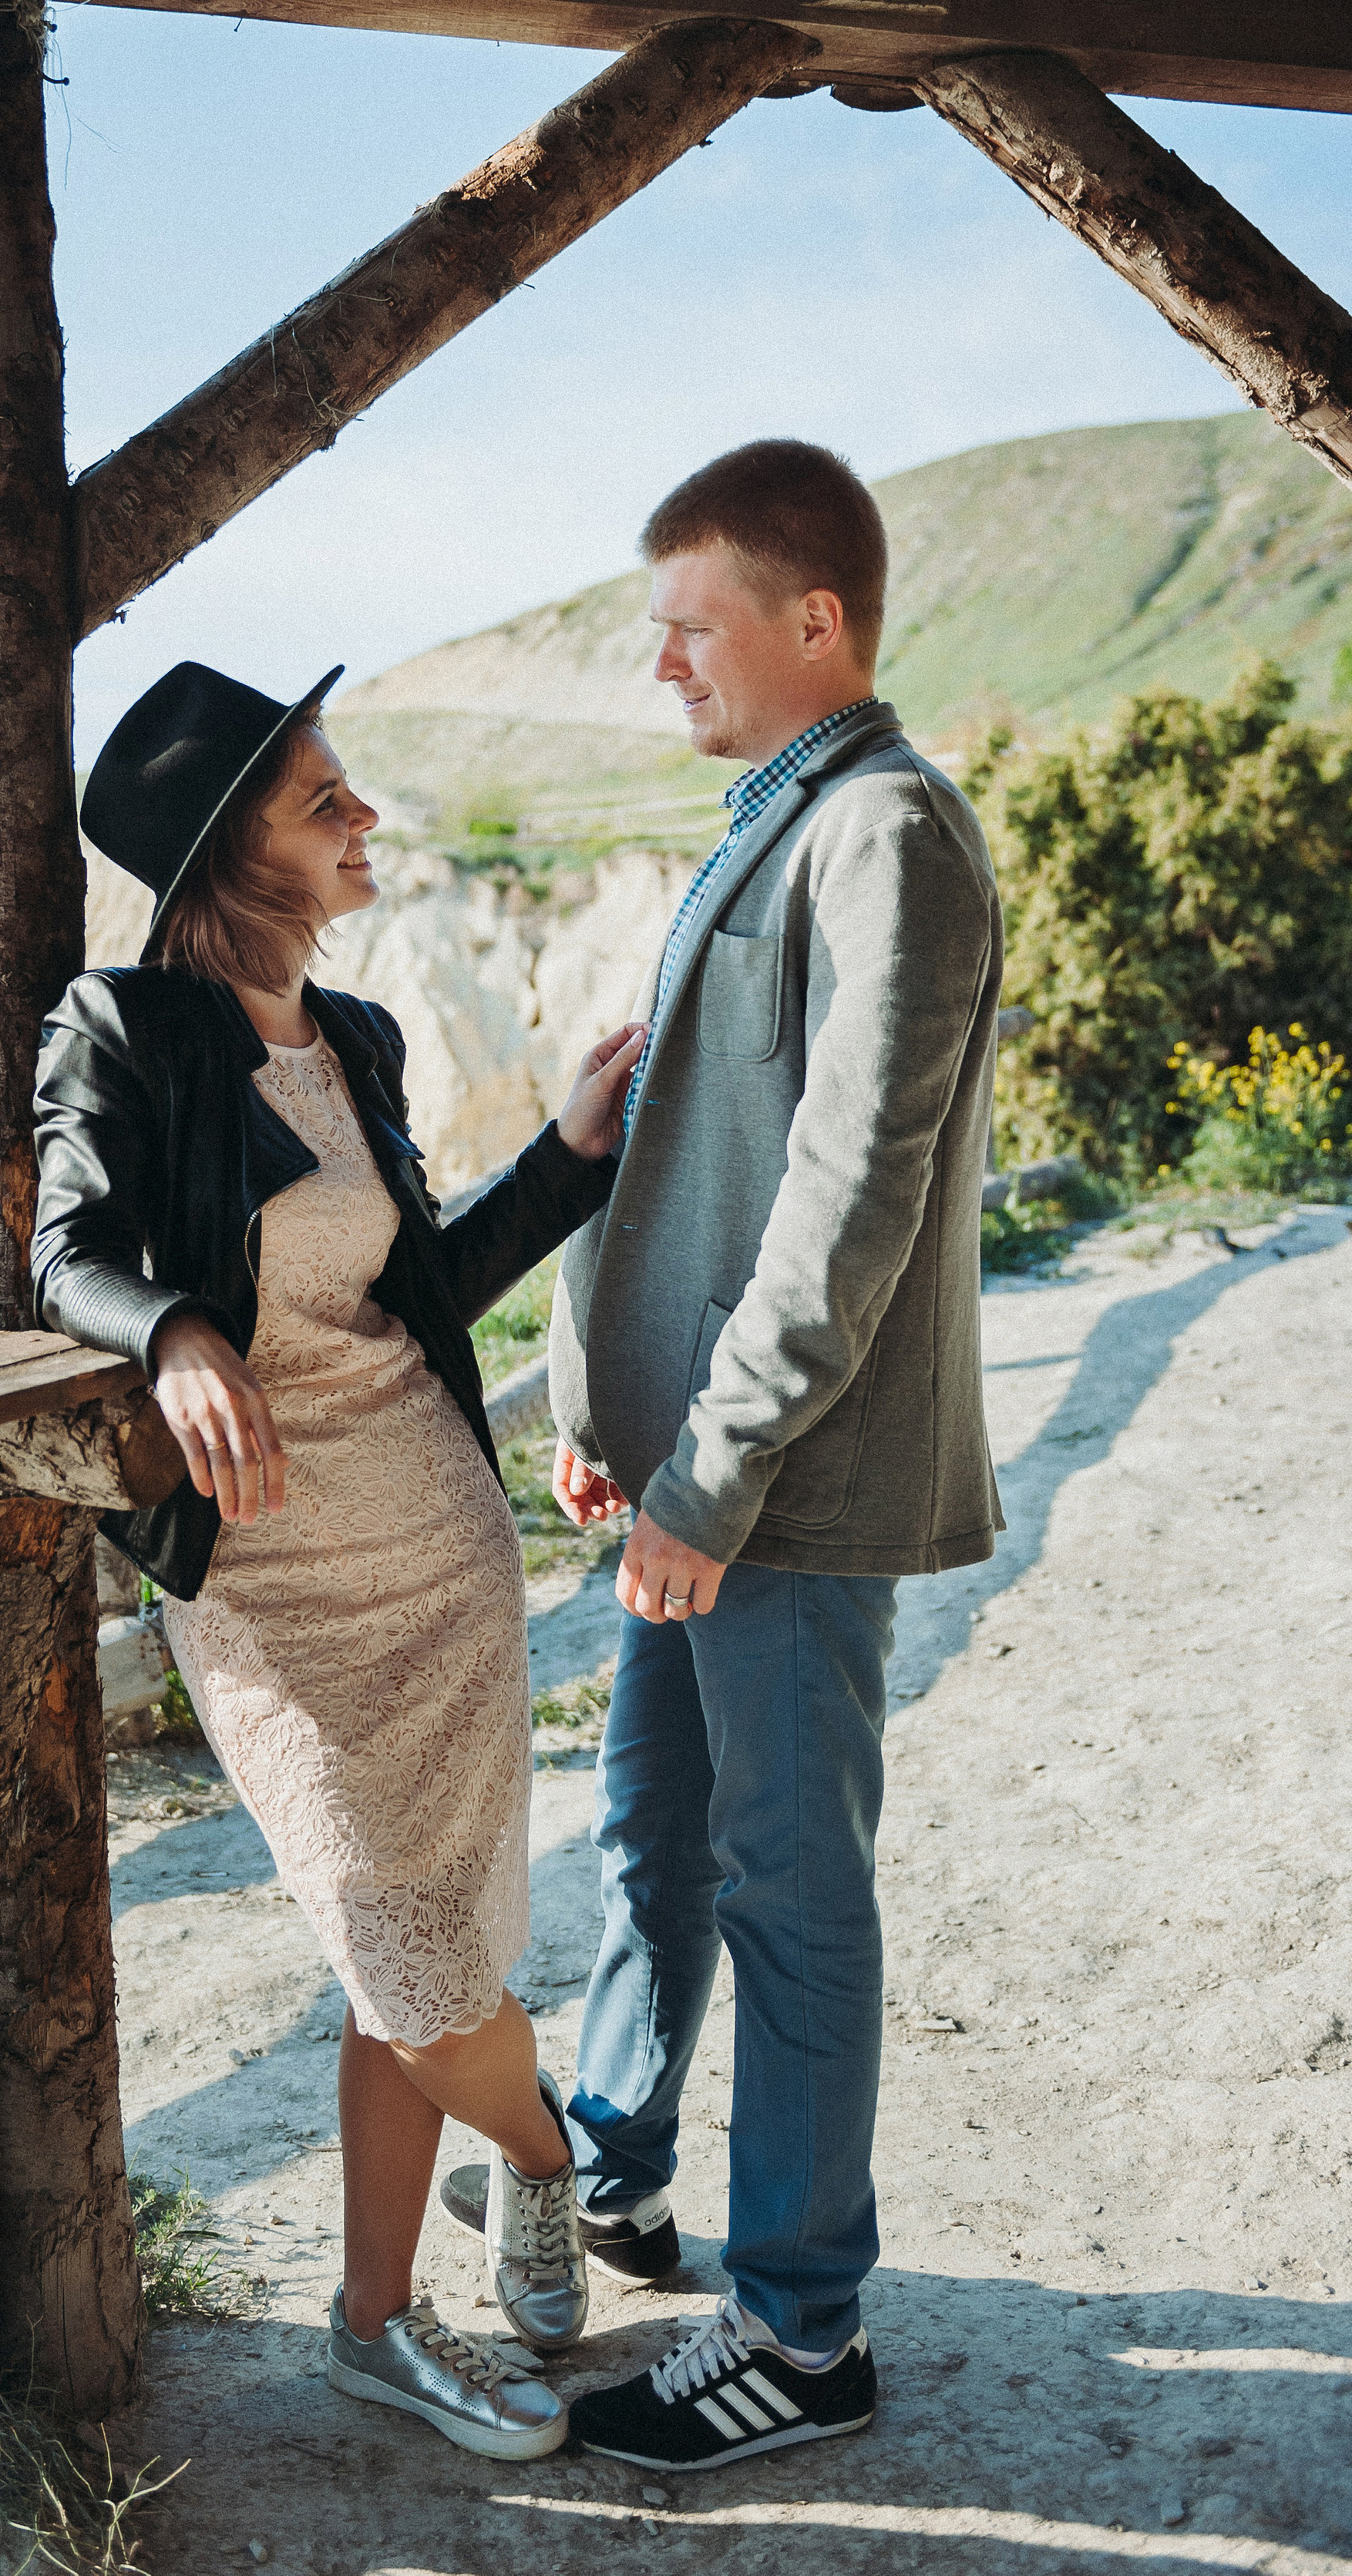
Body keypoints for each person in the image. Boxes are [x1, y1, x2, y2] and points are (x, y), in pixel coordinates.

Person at [446, 439, 1004, 2474]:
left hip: (777, 1494)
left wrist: (712, 1473)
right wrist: (615, 1429)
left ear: (816, 623)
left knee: (787, 1893)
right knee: (652, 1840)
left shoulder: (887, 840)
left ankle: (801, 2336)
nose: (659, 659)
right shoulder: (768, 827)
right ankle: (615, 2167)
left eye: (691, 623)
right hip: (689, 1481)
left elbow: (847, 1199)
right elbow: (700, 1172)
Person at [30, 658, 646, 2464]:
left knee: (425, 1952)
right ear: (234, 855)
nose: (363, 816)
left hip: (438, 1543)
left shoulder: (357, 1040)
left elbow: (419, 1293)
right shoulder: (125, 1029)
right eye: (324, 799)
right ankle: (548, 2160)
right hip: (272, 1582)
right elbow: (65, 1242)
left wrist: (567, 1157)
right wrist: (169, 1335)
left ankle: (374, 2322)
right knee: (403, 1946)